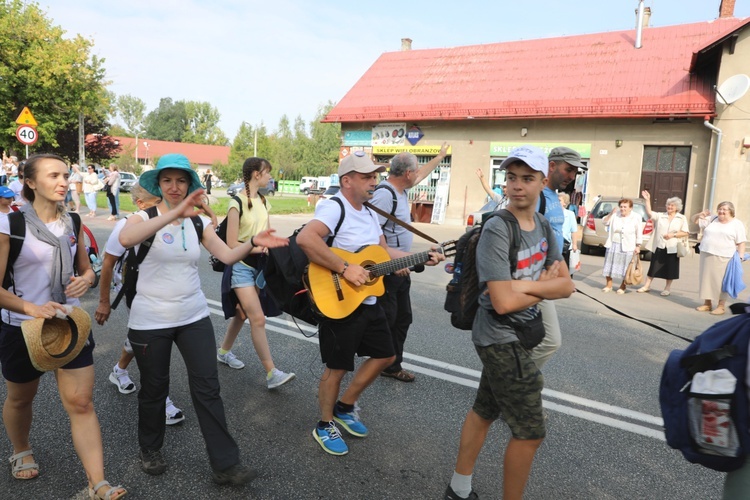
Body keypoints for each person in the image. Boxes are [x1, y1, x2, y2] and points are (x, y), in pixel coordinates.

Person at [118, 153, 287, 484]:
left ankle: (226, 464)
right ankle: (150, 449)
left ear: (189, 184)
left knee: (208, 387)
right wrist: (173, 214)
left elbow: (225, 254)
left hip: (193, 315)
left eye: (181, 181)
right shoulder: (142, 217)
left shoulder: (197, 222)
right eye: (167, 180)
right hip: (150, 320)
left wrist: (252, 242)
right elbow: (125, 239)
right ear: (159, 185)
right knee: (155, 388)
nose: (175, 186)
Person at [445, 145, 574, 500]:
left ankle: (458, 489)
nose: (517, 186)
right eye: (512, 178)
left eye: (527, 178)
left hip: (523, 331)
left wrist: (529, 286)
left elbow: (567, 283)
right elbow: (502, 302)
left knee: (485, 410)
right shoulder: (498, 230)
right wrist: (546, 288)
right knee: (531, 433)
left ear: (542, 182)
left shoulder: (545, 226)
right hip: (499, 337)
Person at [296, 151, 444, 456]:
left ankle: (344, 406)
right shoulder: (334, 208)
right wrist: (344, 267)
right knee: (336, 369)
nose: (373, 182)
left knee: (385, 355)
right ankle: (324, 425)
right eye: (366, 177)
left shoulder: (367, 211)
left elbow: (382, 252)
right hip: (339, 300)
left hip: (368, 299)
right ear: (346, 181)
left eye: (375, 176)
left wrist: (421, 258)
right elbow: (306, 239)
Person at [0, 154, 126, 499]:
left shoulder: (72, 220)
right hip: (22, 328)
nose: (64, 181)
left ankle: (97, 483)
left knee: (81, 402)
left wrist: (85, 280)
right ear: (29, 181)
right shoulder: (8, 225)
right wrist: (32, 308)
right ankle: (20, 448)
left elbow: (87, 268)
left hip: (69, 325)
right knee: (21, 398)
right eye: (53, 175)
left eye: (66, 175)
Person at [94, 183, 185, 425]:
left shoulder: (170, 222)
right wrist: (104, 302)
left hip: (166, 294)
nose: (162, 208)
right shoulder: (126, 226)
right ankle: (161, 399)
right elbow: (107, 265)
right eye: (157, 202)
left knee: (141, 339)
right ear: (140, 204)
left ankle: (119, 370)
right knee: (152, 345)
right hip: (138, 293)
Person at [370, 142, 449, 382]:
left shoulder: (401, 189)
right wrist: (393, 260)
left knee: (402, 318)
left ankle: (389, 363)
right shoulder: (385, 195)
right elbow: (372, 234)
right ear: (406, 174)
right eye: (415, 171)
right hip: (388, 269)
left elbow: (422, 174)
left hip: (401, 268)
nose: (418, 175)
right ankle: (383, 363)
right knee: (389, 319)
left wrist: (440, 156)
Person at [216, 157, 296, 389]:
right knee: (257, 318)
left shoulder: (263, 201)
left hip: (260, 266)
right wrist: (256, 246)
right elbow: (231, 244)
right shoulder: (236, 203)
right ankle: (272, 373)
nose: (270, 177)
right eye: (267, 172)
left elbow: (267, 235)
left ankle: (223, 352)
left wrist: (276, 247)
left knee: (242, 314)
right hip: (240, 266)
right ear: (255, 175)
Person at [527, 147, 587, 370]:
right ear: (552, 166)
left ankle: (507, 383)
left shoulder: (552, 197)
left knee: (522, 339)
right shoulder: (538, 195)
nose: (571, 176)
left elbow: (553, 242)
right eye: (568, 169)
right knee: (550, 340)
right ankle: (515, 382)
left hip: (546, 275)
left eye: (575, 172)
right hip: (534, 276)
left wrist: (563, 276)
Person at [692, 202, 747, 315]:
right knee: (706, 280)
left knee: (721, 282)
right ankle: (707, 304)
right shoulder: (712, 219)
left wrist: (740, 257)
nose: (721, 211)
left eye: (724, 209)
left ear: (731, 211)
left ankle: (721, 306)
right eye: (720, 209)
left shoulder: (737, 224)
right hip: (706, 253)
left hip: (725, 256)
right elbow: (694, 220)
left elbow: (741, 242)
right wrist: (699, 215)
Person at [638, 191, 689, 296]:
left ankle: (667, 288)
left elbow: (685, 232)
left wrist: (673, 235)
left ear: (677, 207)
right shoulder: (661, 216)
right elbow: (649, 213)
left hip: (673, 247)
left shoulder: (682, 218)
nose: (669, 207)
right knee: (653, 266)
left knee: (670, 268)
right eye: (668, 205)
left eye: (672, 205)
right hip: (660, 245)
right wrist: (647, 199)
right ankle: (647, 285)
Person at [601, 198, 643, 294]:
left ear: (630, 208)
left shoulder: (636, 217)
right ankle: (609, 285)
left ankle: (623, 286)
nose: (622, 208)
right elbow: (604, 222)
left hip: (628, 245)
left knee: (626, 267)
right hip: (613, 243)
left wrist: (638, 246)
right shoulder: (615, 215)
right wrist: (611, 213)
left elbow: (639, 232)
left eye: (625, 207)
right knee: (609, 265)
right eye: (621, 206)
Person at [559, 192, 578, 273]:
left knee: (565, 267)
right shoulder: (552, 213)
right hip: (554, 243)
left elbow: (574, 231)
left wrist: (574, 244)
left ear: (564, 203)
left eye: (559, 200)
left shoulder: (570, 214)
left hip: (565, 245)